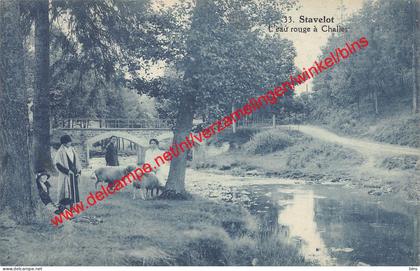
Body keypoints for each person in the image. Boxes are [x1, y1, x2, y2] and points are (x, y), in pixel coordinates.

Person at [54, 135, 82, 211]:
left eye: (70, 142)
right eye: (68, 142)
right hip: (66, 175)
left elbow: (77, 162)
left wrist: (79, 172)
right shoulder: (60, 152)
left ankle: (74, 207)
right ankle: (64, 207)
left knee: (74, 191)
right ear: (64, 143)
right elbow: (58, 164)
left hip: (74, 173)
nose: (70, 143)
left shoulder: (72, 150)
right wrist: (67, 171)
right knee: (67, 191)